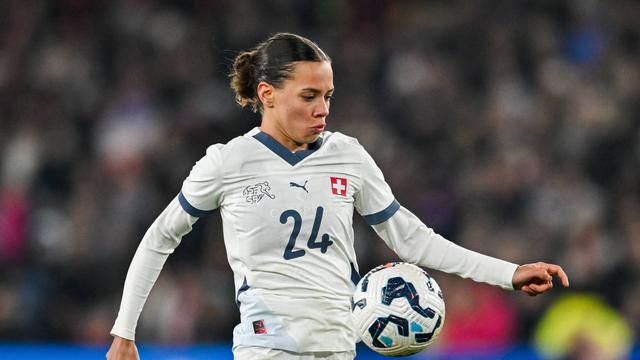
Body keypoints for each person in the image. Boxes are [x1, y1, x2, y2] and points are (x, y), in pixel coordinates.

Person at [106, 32, 570, 360]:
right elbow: (159, 238)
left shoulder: (348, 156)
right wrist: (124, 332)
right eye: (309, 96)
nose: (323, 108)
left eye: (328, 95)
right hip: (265, 349)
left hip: (338, 349)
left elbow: (413, 240)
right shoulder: (227, 163)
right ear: (267, 94)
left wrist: (508, 273)